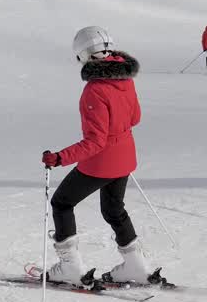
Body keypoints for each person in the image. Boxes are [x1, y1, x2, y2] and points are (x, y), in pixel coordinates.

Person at [40, 26, 152, 286]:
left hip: (101, 163)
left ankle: (71, 268)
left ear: (84, 55)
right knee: (114, 209)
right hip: (124, 158)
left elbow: (95, 141)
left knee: (62, 203)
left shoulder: (95, 90)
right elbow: (135, 118)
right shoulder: (126, 79)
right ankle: (136, 266)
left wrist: (58, 158)